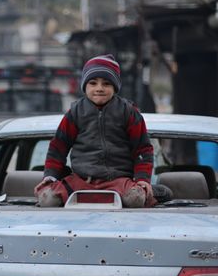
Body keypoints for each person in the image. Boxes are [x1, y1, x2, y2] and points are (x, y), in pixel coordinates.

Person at [34, 54, 157, 208]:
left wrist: (142, 179)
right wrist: (50, 176)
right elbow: (58, 147)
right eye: (93, 83)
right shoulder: (75, 112)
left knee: (135, 199)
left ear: (115, 87)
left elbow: (143, 149)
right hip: (80, 181)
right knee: (47, 199)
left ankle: (156, 192)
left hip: (118, 181)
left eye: (106, 83)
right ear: (85, 86)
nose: (99, 88)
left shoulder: (128, 112)